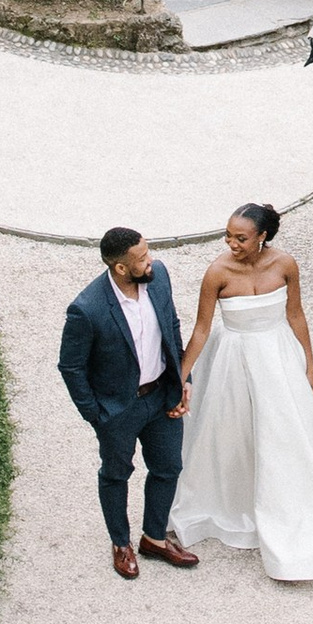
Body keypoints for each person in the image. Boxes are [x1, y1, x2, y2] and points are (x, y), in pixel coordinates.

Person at [172, 203, 313, 585]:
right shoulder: (217, 272)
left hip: (278, 357)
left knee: (286, 434)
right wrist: (180, 378)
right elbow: (201, 330)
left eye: (240, 237)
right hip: (233, 360)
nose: (230, 243)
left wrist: (310, 366)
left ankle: (294, 510)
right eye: (228, 235)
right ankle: (236, 502)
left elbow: (296, 315)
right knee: (233, 434)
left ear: (263, 236)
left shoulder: (285, 265)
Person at [57, 225, 198, 582]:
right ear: (121, 267)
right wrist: (97, 415)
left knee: (168, 468)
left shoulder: (159, 276)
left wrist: (183, 380)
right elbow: (71, 366)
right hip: (118, 410)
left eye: (148, 253)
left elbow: (173, 325)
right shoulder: (86, 309)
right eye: (142, 258)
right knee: (116, 474)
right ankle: (121, 543)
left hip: (162, 397)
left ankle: (153, 538)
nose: (151, 261)